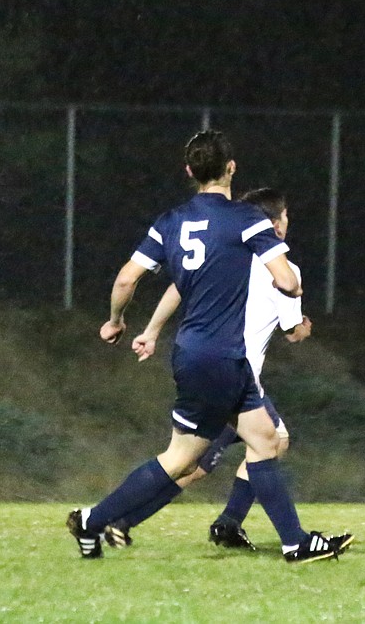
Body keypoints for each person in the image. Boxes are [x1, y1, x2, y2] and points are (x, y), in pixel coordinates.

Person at [67, 130, 351, 564]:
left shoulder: (170, 221)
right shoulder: (246, 219)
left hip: (196, 352)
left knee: (265, 441)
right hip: (221, 357)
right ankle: (95, 519)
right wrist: (286, 286)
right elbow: (288, 280)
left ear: (189, 171)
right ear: (231, 168)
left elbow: (127, 279)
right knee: (181, 460)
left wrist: (116, 321)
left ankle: (295, 543)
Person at [102, 187, 315, 553]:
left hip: (210, 363)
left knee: (263, 443)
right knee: (192, 461)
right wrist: (304, 324)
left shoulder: (223, 254)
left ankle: (232, 524)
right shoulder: (279, 265)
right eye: (285, 218)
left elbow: (178, 288)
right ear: (275, 225)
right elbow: (294, 332)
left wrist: (151, 331)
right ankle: (113, 519)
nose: (286, 225)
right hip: (232, 372)